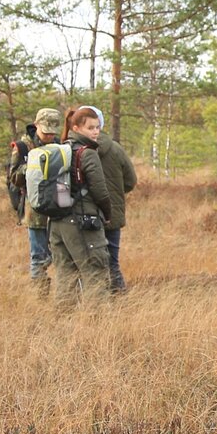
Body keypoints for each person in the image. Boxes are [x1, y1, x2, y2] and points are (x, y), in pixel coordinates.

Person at [50, 106, 113, 302]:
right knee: (96, 271)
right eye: (91, 128)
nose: (96, 132)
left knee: (65, 275)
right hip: (82, 221)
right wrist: (107, 213)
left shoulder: (60, 150)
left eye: (97, 128)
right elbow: (100, 191)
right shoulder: (87, 153)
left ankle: (62, 323)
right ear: (76, 128)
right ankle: (98, 325)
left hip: (57, 223)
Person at [79, 106, 137, 293]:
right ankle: (119, 300)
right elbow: (131, 181)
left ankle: (94, 301)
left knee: (87, 261)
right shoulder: (116, 149)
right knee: (112, 261)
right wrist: (115, 193)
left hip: (86, 214)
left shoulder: (76, 149)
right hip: (112, 213)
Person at [8, 108, 62, 292]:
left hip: (58, 208)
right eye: (46, 131)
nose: (49, 136)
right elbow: (13, 178)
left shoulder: (60, 146)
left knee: (61, 255)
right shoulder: (23, 147)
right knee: (38, 258)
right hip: (35, 211)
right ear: (36, 125)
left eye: (52, 132)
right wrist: (33, 166)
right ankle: (41, 297)